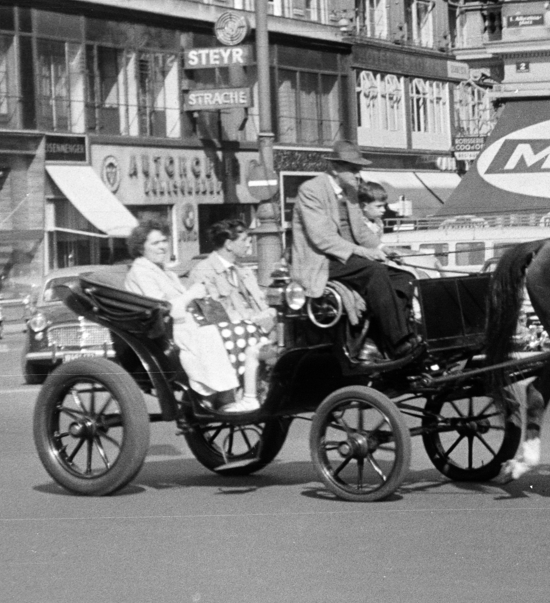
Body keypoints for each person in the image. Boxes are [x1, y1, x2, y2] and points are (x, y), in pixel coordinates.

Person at [289, 140, 420, 359]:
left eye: (358, 169)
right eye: (353, 169)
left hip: (349, 260)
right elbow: (323, 239)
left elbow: (360, 231)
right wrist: (367, 253)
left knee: (404, 278)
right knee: (374, 271)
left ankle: (382, 338)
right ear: (334, 168)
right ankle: (398, 343)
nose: (358, 174)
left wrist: (383, 248)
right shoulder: (311, 190)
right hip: (321, 262)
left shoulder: (350, 192)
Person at [124, 218, 252, 413]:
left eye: (164, 241)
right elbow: (160, 307)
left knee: (235, 329)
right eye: (155, 243)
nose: (162, 247)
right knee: (212, 334)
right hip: (163, 330)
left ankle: (227, 393)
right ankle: (216, 396)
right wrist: (191, 293)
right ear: (141, 248)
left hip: (183, 324)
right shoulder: (141, 271)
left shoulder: (164, 271)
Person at [188, 218, 277, 412]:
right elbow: (215, 315)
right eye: (244, 239)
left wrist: (267, 314)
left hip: (257, 330)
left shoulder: (244, 272)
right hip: (228, 338)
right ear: (229, 244)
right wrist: (255, 319)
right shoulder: (203, 272)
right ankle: (246, 394)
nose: (248, 244)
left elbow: (261, 304)